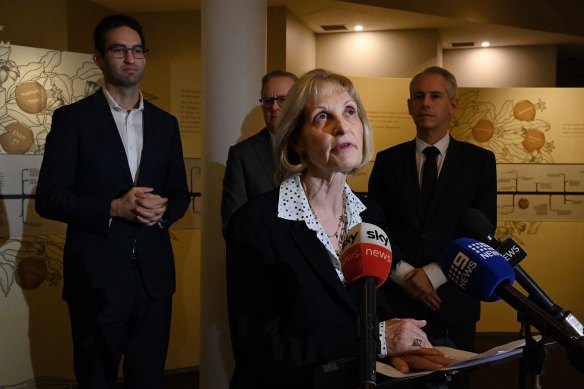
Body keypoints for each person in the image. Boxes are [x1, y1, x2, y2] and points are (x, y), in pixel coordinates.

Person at [226, 69, 453, 388]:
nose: (342, 125)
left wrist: (403, 342)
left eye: (350, 112)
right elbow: (262, 349)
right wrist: (378, 339)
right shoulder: (257, 222)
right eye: (322, 116)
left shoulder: (369, 213)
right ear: (297, 142)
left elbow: (379, 307)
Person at [35, 15, 189, 388]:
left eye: (137, 50)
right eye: (119, 50)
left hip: (153, 281)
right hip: (95, 281)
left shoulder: (165, 124)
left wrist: (164, 211)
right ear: (99, 58)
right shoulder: (72, 120)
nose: (130, 58)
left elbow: (180, 193)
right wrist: (113, 208)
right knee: (95, 380)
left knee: (148, 379)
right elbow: (49, 198)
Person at [368, 66, 497, 354]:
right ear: (409, 106)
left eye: (435, 96)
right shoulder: (388, 161)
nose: (426, 102)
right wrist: (406, 276)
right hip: (397, 301)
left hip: (454, 298)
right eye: (419, 96)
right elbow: (375, 226)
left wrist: (433, 274)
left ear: (453, 106)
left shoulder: (479, 162)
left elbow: (483, 230)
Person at [221, 70, 298, 236]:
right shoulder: (242, 155)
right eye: (267, 100)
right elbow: (233, 223)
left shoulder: (318, 149)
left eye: (282, 100)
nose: (274, 107)